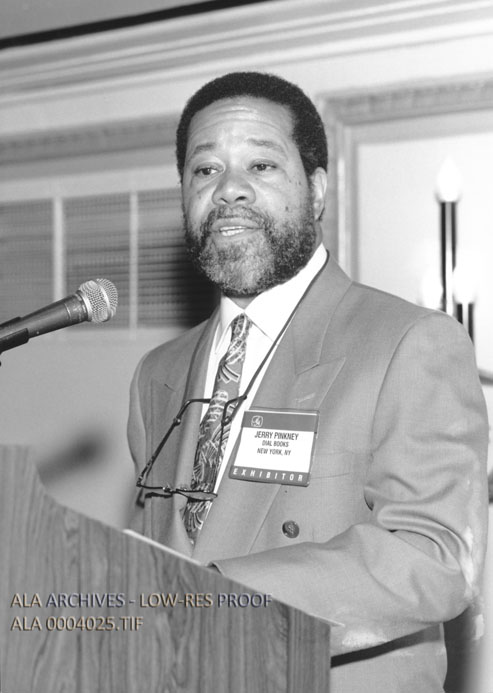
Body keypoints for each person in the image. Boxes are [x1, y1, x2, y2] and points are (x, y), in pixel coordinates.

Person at [128, 71, 489, 692]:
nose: (229, 189)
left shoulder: (409, 342)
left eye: (261, 165)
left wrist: (214, 599)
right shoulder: (156, 374)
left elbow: (435, 559)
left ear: (317, 190)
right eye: (205, 169)